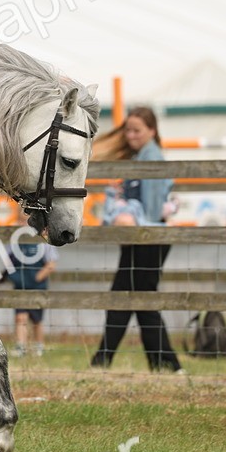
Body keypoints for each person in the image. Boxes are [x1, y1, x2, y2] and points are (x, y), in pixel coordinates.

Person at [90, 107, 183, 373]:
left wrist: (126, 211)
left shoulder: (151, 158)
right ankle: (164, 363)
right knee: (139, 301)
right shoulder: (141, 156)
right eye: (128, 130)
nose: (131, 135)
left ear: (151, 131)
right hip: (142, 239)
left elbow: (152, 210)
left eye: (137, 130)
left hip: (148, 238)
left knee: (128, 299)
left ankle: (104, 360)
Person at [9, 240, 57, 358]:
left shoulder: (44, 242)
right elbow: (9, 261)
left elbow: (51, 264)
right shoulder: (14, 241)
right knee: (20, 317)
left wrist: (36, 278)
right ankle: (21, 347)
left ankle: (39, 346)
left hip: (38, 287)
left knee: (37, 320)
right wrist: (15, 278)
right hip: (20, 287)